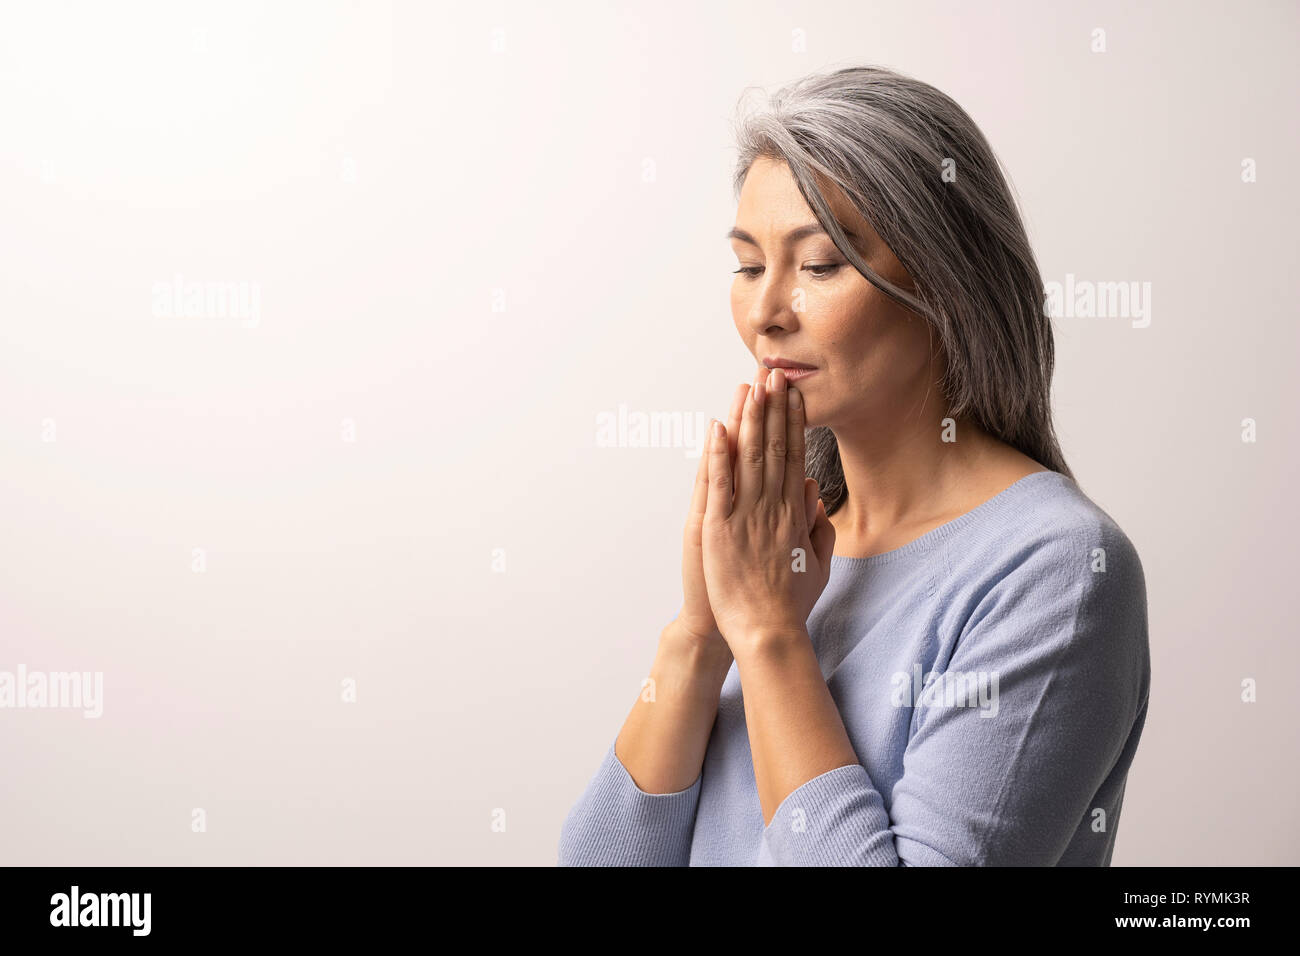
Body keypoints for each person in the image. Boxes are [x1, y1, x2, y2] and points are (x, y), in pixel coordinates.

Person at [558, 66, 1150, 866]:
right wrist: (701, 635)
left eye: (819, 266)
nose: (767, 313)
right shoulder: (779, 547)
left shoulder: (1058, 571)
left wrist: (769, 635)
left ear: (947, 280)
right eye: (746, 265)